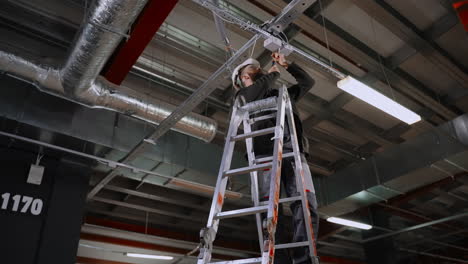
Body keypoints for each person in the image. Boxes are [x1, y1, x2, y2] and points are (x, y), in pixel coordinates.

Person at [231, 52, 319, 264]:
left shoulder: (283, 94)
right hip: (264, 157)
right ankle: (277, 260)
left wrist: (286, 64)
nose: (258, 69)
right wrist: (271, 74)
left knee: (306, 206)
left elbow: (308, 82)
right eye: (252, 69)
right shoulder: (243, 98)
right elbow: (254, 91)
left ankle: (303, 259)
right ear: (243, 78)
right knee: (268, 212)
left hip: (294, 153)